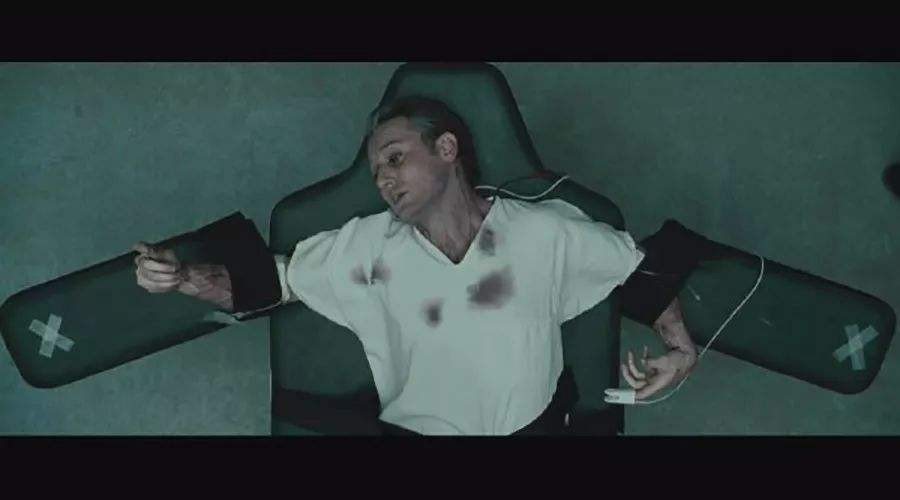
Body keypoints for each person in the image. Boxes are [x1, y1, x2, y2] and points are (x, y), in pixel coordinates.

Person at [132, 96, 699, 435]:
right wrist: (181, 278)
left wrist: (678, 348)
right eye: (377, 170)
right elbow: (269, 283)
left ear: (447, 150)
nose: (383, 179)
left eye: (396, 158)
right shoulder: (367, 247)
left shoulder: (545, 232)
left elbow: (637, 268)